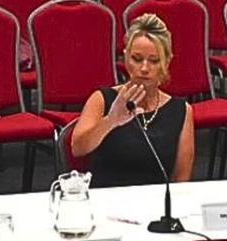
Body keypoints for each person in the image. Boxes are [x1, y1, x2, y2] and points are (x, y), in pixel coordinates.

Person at [71, 13, 194, 187]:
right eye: (137, 59)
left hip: (156, 204)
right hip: (107, 200)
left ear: (167, 62)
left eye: (154, 61)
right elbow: (77, 148)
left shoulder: (182, 111)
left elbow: (181, 180)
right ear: (126, 57)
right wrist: (111, 120)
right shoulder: (102, 99)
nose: (144, 68)